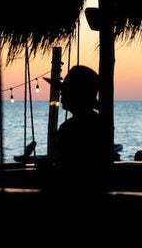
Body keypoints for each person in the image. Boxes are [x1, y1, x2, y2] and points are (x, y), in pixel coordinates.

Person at [44, 65, 114, 193]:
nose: (61, 94)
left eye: (65, 91)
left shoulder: (69, 128)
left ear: (76, 95)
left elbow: (64, 169)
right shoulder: (99, 123)